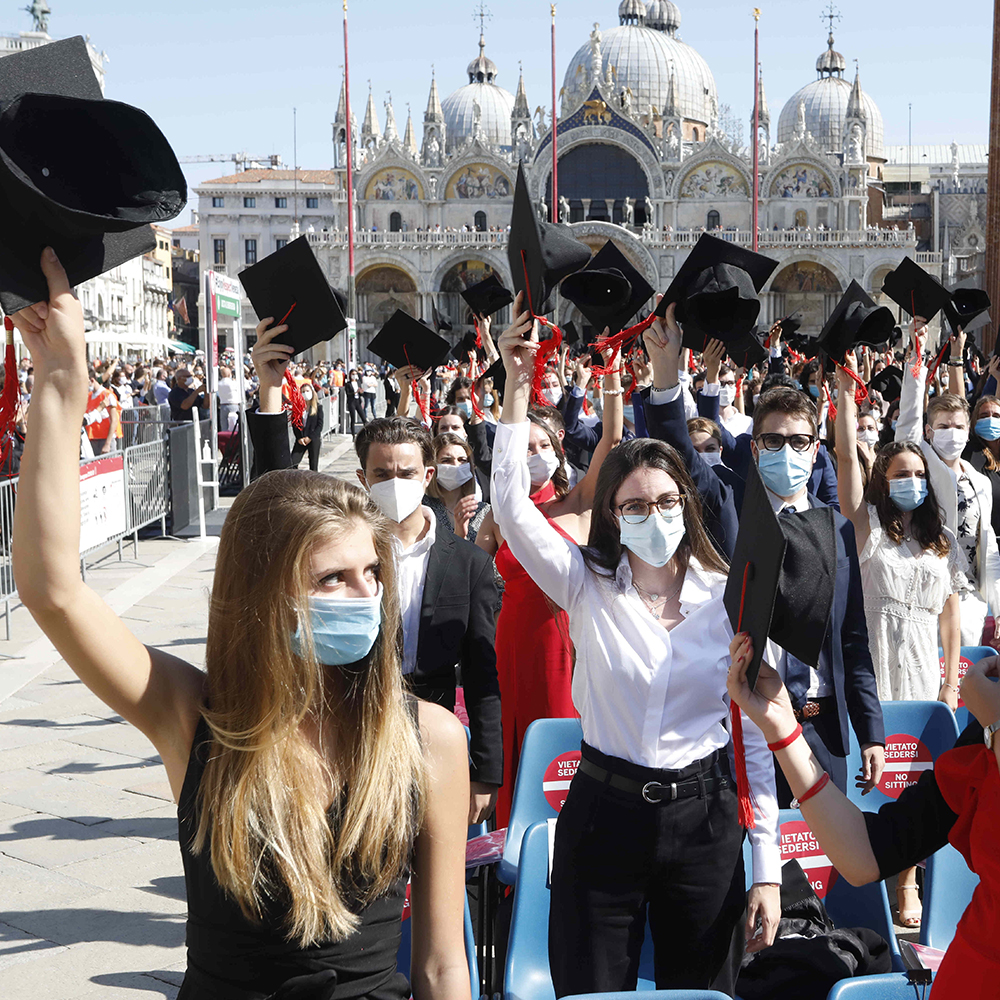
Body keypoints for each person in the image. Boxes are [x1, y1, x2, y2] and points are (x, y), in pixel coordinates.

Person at [11, 248, 471, 1000]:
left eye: (373, 576)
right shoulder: (197, 719)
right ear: (269, 596)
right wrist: (62, 384)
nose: (362, 596)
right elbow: (54, 590)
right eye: (332, 578)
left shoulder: (429, 738)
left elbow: (443, 963)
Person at [490, 298, 781, 997]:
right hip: (604, 813)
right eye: (635, 506)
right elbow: (508, 506)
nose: (654, 517)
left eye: (667, 501)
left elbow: (755, 733)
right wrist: (517, 388)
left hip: (705, 817)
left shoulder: (728, 593)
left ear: (689, 502)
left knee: (703, 987)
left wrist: (766, 865)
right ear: (614, 518)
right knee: (593, 987)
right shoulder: (586, 584)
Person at [250, 321, 502, 825]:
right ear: (363, 479)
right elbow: (276, 500)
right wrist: (272, 392)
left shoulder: (469, 563)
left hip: (432, 731)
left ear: (427, 476)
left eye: (407, 473)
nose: (395, 482)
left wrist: (485, 774)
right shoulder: (342, 548)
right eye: (382, 474)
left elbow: (482, 672)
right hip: (347, 725)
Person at [727, 638, 1000, 1000]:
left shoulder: (992, 720)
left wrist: (997, 726)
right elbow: (866, 855)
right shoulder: (984, 729)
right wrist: (781, 729)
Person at [476, 310, 624, 827]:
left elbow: (611, 441)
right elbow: (481, 581)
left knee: (567, 747)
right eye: (528, 446)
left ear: (560, 454)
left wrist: (610, 381)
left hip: (567, 644)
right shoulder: (502, 514)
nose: (535, 454)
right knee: (520, 742)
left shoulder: (580, 503)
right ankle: (519, 856)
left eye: (545, 447)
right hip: (513, 643)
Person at [836, 354, 964, 928]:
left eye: (918, 474)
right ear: (883, 484)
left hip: (922, 666)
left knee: (917, 777)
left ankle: (908, 882)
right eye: (900, 475)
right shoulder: (867, 530)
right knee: (875, 773)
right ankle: (865, 881)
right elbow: (844, 461)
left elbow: (951, 619)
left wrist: (950, 680)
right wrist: (842, 402)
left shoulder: (939, 542)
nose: (911, 481)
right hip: (876, 663)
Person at [745, 377, 884, 806]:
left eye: (799, 441)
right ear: (755, 448)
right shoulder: (736, 520)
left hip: (822, 726)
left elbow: (853, 637)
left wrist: (870, 733)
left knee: (826, 860)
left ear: (815, 448)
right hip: (754, 722)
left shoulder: (837, 528)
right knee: (762, 863)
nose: (787, 451)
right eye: (773, 440)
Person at [895, 323, 1000, 645]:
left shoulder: (980, 481)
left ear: (968, 432)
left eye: (958, 426)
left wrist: (996, 607)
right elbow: (908, 423)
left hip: (969, 599)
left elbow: (988, 546)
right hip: (924, 597)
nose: (951, 433)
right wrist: (916, 362)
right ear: (929, 432)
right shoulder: (922, 464)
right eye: (943, 426)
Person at [425, 431, 490, 542]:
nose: (456, 465)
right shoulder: (423, 507)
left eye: (462, 460)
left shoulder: (483, 511)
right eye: (446, 460)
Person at [291, 380, 324, 472]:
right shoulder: (297, 408)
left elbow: (320, 425)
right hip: (301, 439)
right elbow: (295, 424)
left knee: (313, 466)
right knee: (292, 463)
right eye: (303, 392)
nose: (305, 394)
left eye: (307, 391)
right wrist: (299, 438)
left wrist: (310, 437)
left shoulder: (318, 407)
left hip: (313, 439)